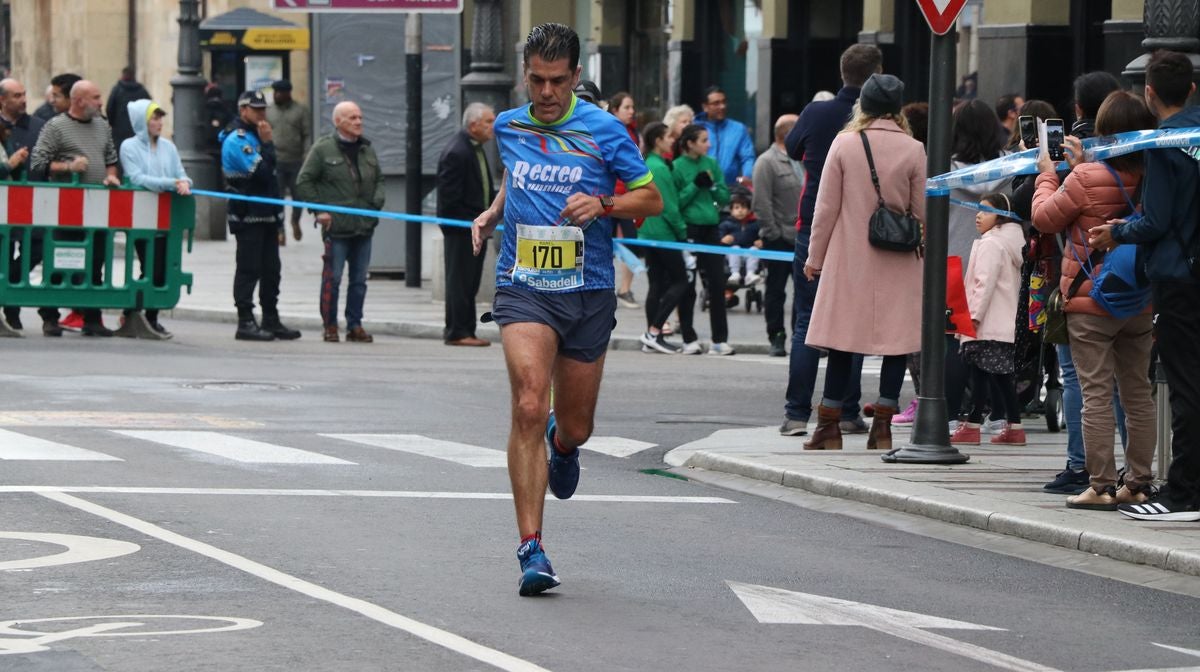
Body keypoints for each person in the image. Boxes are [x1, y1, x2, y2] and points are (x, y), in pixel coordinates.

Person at [469, 23, 663, 595]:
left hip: (588, 289)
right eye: (535, 80)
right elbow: (517, 173)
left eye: (556, 81)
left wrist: (605, 203)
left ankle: (563, 442)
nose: (545, 92)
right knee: (528, 400)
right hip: (523, 284)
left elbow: (649, 198)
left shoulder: (605, 130)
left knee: (575, 426)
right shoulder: (508, 125)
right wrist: (493, 211)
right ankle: (532, 548)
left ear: (576, 76)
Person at [1032, 90, 1158, 510]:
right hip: (1139, 299)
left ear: (1103, 132)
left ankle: (1101, 485)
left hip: (1090, 301)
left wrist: (1048, 173)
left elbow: (1044, 217)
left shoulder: (1084, 178)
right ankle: (1138, 481)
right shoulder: (1155, 174)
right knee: (1138, 392)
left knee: (1096, 395)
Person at [1089, 51, 1200, 521]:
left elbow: (1154, 220)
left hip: (1179, 275)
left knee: (1185, 384)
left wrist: (1117, 232)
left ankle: (1184, 491)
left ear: (1149, 93)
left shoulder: (1165, 143)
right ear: (1192, 89)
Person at [801, 73, 926, 452]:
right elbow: (921, 213)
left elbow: (826, 209)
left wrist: (814, 256)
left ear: (864, 105)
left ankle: (828, 428)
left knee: (842, 342)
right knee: (896, 342)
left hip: (849, 257)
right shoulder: (914, 149)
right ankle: (883, 428)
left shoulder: (845, 144)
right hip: (899, 259)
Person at [780, 43, 882, 437]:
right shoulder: (880, 121)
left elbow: (792, 147)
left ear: (842, 73)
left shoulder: (817, 112)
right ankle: (848, 410)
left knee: (807, 320)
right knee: (853, 321)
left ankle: (795, 413)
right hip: (862, 230)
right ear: (876, 74)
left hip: (812, 225)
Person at [30, 79, 121, 338]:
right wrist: (68, 168)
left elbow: (111, 159)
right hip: (66, 208)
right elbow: (39, 163)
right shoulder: (56, 126)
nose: (101, 102)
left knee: (95, 263)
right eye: (95, 97)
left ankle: (92, 317)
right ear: (79, 100)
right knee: (60, 261)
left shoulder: (103, 126)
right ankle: (50, 316)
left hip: (98, 208)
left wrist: (111, 176)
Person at [295, 101, 383, 344]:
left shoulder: (367, 150)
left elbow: (379, 180)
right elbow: (304, 181)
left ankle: (354, 325)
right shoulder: (323, 149)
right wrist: (318, 211)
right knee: (332, 280)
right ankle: (330, 325)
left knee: (358, 281)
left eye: (360, 117)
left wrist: (375, 205)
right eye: (352, 118)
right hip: (337, 229)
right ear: (338, 122)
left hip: (364, 226)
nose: (358, 122)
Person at [221, 90, 301, 342]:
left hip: (266, 214)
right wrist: (267, 144)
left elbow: (272, 179)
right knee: (248, 268)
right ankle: (245, 320)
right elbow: (263, 173)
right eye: (256, 109)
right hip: (247, 216)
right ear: (243, 110)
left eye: (263, 109)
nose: (262, 113)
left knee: (271, 270)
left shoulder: (257, 134)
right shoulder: (238, 139)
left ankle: (270, 318)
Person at [949, 193, 1027, 446]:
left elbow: (983, 282)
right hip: (1001, 323)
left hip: (986, 323)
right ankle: (1009, 426)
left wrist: (973, 317)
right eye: (978, 210)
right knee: (994, 376)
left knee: (987, 375)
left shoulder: (991, 244)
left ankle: (977, 425)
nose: (978, 215)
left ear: (1001, 216)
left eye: (985, 210)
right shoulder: (1010, 243)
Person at [118, 99, 192, 339]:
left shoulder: (168, 147)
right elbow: (138, 178)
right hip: (141, 218)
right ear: (142, 121)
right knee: (150, 267)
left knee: (161, 270)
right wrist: (172, 184)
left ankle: (147, 315)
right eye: (154, 118)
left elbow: (181, 174)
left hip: (166, 220)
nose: (159, 123)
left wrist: (184, 183)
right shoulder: (129, 146)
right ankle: (138, 313)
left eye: (160, 118)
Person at [435, 101, 495, 347]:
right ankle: (458, 331)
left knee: (469, 282)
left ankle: (466, 329)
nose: (493, 127)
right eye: (488, 122)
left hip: (474, 227)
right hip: (461, 229)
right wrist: (471, 222)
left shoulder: (474, 148)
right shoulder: (457, 152)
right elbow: (449, 198)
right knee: (460, 281)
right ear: (473, 125)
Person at [673, 123, 733, 355]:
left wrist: (713, 187)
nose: (709, 144)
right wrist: (694, 186)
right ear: (690, 143)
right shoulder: (677, 166)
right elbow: (677, 201)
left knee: (717, 284)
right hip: (689, 229)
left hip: (711, 228)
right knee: (688, 285)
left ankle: (719, 339)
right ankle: (689, 338)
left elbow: (725, 195)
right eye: (704, 140)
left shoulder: (711, 164)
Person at [751, 113, 801, 357]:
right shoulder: (766, 162)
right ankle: (776, 335)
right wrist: (773, 232)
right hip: (779, 238)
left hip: (802, 237)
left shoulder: (802, 160)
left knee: (803, 291)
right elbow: (761, 202)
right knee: (776, 290)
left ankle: (800, 336)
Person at [637, 121, 688, 354]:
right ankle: (655, 331)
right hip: (664, 233)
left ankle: (651, 334)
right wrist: (683, 234)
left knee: (656, 284)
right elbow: (669, 207)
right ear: (658, 141)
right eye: (668, 136)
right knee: (680, 281)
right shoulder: (659, 167)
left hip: (648, 231)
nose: (672, 140)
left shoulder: (650, 164)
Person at [0, 77, 45, 331]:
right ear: (2, 100)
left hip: (34, 202)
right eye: (16, 96)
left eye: (24, 94)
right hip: (3, 205)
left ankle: (10, 296)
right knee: (3, 255)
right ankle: (11, 311)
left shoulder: (39, 126)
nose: (23, 100)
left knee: (35, 250)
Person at [267, 79, 311, 245]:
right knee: (277, 196)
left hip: (296, 160)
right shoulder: (269, 111)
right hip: (276, 160)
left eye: (280, 92)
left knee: (298, 195)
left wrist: (307, 153)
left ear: (288, 94)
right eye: (275, 92)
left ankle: (295, 220)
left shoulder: (300, 111)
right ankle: (280, 230)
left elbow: (307, 133)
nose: (277, 95)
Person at [609, 91, 641, 310]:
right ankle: (604, 288)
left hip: (627, 197)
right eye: (626, 108)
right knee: (603, 244)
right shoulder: (608, 130)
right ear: (614, 110)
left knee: (631, 243)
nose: (631, 112)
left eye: (632, 107)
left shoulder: (633, 131)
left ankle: (625, 289)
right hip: (607, 198)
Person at [695, 86, 755, 185]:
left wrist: (746, 177)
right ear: (705, 107)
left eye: (724, 102)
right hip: (702, 188)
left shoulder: (738, 129)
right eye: (716, 103)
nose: (722, 106)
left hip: (730, 188)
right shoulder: (695, 128)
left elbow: (747, 157)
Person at [718, 190, 760, 286]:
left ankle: (750, 274)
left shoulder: (755, 225)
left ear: (749, 210)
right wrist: (722, 240)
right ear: (731, 211)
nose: (740, 210)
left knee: (754, 249)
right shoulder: (726, 224)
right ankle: (735, 273)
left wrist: (761, 241)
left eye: (743, 207)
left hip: (748, 253)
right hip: (731, 255)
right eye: (737, 208)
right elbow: (718, 239)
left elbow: (761, 237)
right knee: (735, 249)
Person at [106, 67, 150, 151]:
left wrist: (112, 123)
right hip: (137, 130)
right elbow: (149, 108)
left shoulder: (117, 90)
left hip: (119, 130)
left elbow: (109, 109)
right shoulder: (142, 91)